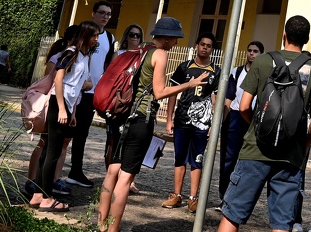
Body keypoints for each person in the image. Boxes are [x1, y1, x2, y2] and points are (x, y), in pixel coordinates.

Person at [217, 15, 311, 232]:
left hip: (255, 149)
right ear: (306, 40)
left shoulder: (262, 61)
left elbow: (245, 105)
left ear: (284, 35)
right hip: (291, 154)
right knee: (281, 223)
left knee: (232, 215)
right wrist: (305, 143)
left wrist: (257, 127)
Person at [97, 17, 204, 232]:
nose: (175, 43)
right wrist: (189, 84)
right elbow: (160, 92)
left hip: (122, 116)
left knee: (112, 172)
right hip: (140, 120)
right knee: (126, 178)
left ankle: (101, 226)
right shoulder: (160, 54)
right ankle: (113, 229)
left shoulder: (141, 50)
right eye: (175, 39)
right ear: (166, 37)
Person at [29, 21, 101, 211]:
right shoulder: (71, 53)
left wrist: (73, 112)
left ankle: (38, 194)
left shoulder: (85, 56)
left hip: (69, 106)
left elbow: (77, 87)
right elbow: (58, 79)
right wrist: (61, 108)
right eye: (94, 35)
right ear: (85, 35)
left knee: (49, 151)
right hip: (57, 104)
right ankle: (47, 198)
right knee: (52, 151)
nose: (96, 39)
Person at [162, 31, 220, 213]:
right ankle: (176, 195)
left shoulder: (216, 72)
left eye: (209, 45)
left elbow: (216, 100)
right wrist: (169, 118)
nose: (205, 47)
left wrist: (213, 124)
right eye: (202, 44)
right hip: (182, 120)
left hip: (202, 124)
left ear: (212, 49)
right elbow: (172, 93)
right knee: (179, 157)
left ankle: (193, 198)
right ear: (196, 46)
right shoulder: (184, 67)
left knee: (197, 159)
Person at [25, 26, 80, 198]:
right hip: (54, 107)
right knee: (45, 143)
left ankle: (54, 179)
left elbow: (84, 84)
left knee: (63, 144)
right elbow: (51, 84)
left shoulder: (79, 59)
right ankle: (32, 181)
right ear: (72, 40)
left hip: (71, 106)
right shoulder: (58, 58)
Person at [68, 2, 116, 188]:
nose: (105, 17)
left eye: (109, 14)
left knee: (82, 133)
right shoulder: (83, 32)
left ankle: (75, 171)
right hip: (72, 90)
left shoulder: (110, 38)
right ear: (93, 13)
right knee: (63, 134)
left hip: (92, 92)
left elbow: (107, 65)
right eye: (102, 13)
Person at [219, 41, 265, 205]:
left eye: (256, 51)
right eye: (250, 50)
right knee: (228, 159)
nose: (252, 53)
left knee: (249, 161)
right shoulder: (236, 72)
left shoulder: (263, 74)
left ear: (261, 54)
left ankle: (240, 199)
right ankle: (223, 196)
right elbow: (228, 98)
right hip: (235, 118)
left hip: (252, 119)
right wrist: (220, 123)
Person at [104, 24, 145, 168]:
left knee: (129, 140)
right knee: (113, 139)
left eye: (138, 35)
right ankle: (109, 173)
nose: (135, 37)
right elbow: (110, 79)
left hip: (133, 102)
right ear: (126, 37)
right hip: (118, 101)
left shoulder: (142, 56)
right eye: (132, 34)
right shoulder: (119, 54)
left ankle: (124, 175)